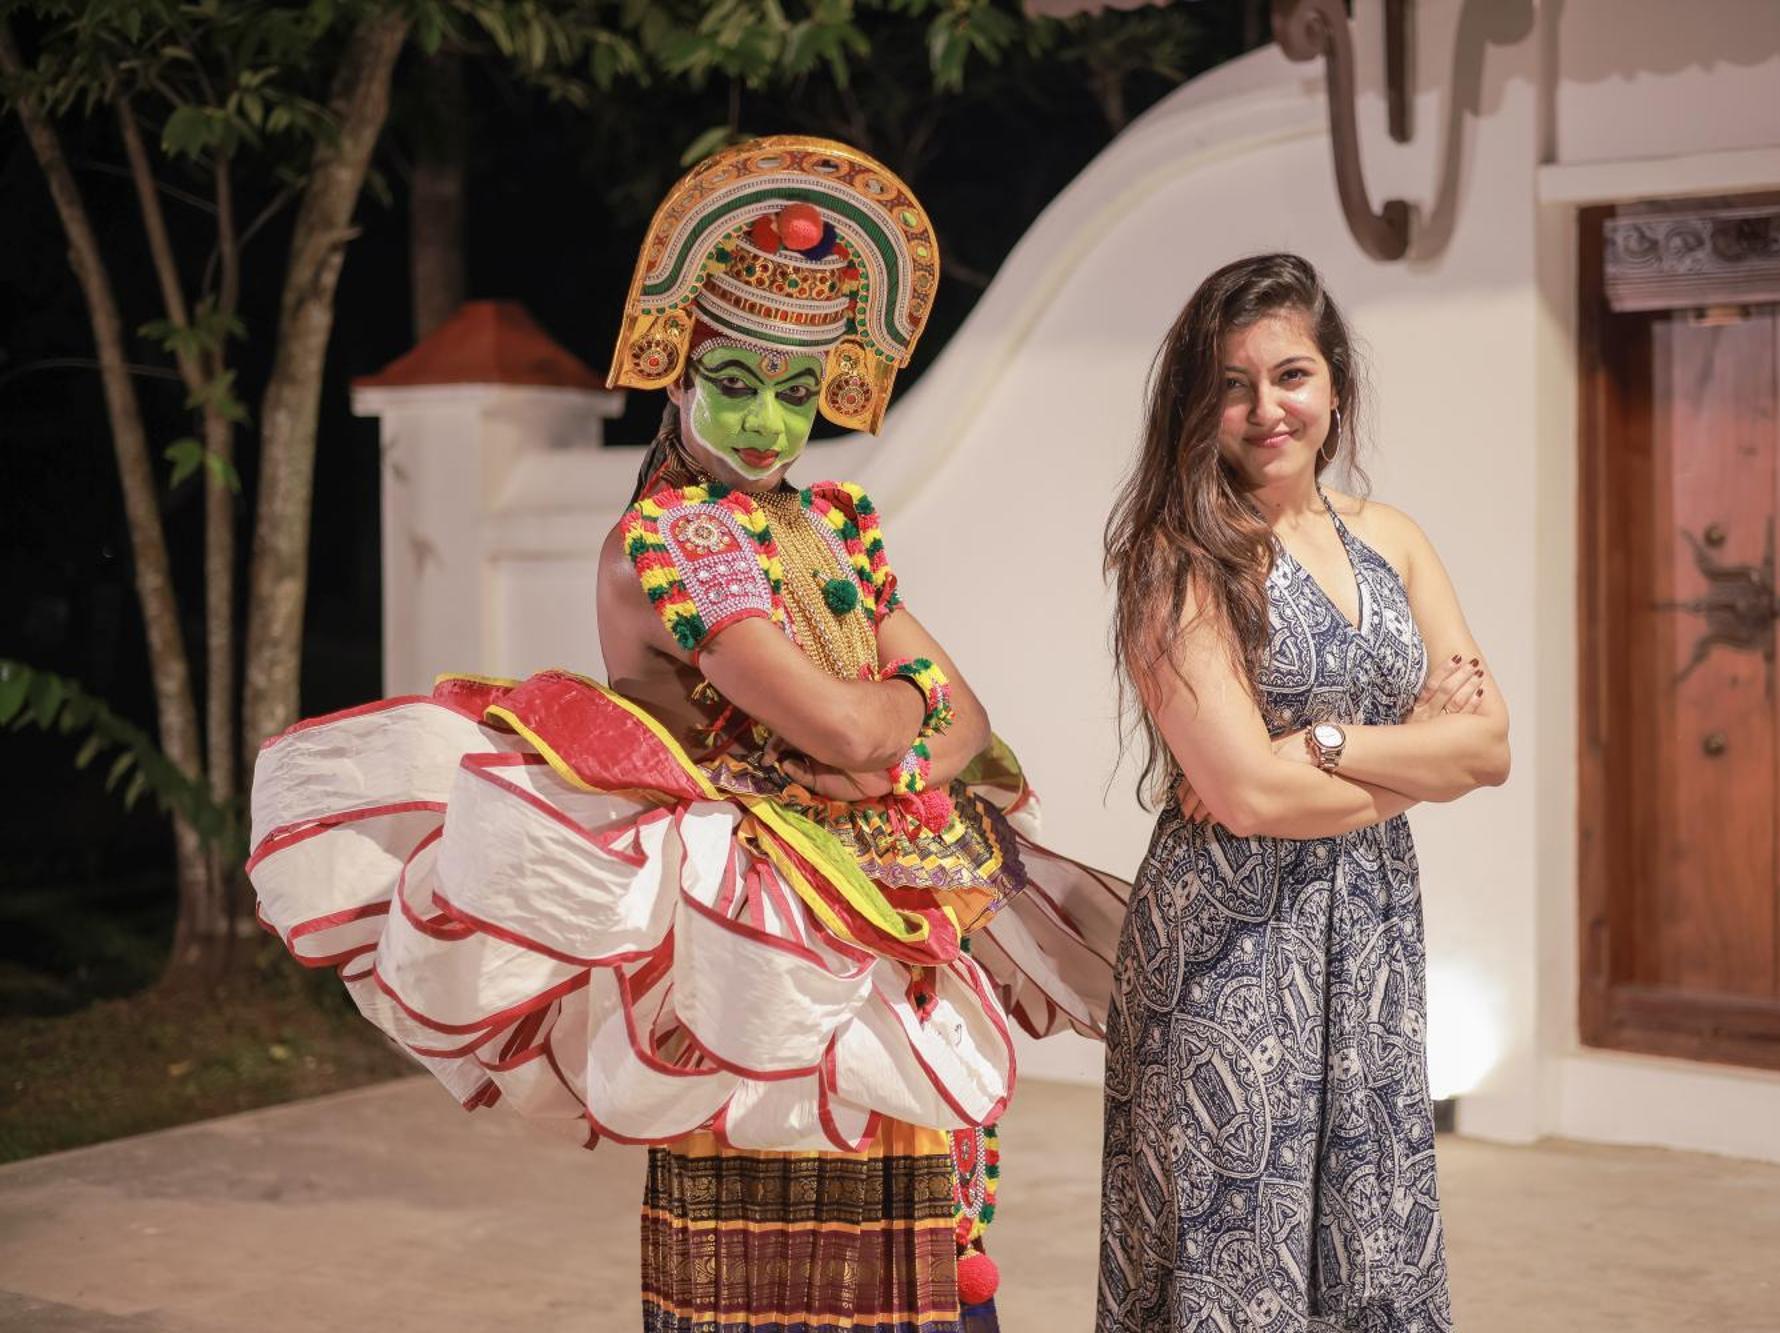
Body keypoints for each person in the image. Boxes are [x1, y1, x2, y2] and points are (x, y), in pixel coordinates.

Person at [247, 135, 1126, 1333]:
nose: (768, 421)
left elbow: (964, 721)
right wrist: (889, 713)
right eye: (736, 381)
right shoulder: (677, 540)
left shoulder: (829, 524)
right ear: (675, 374)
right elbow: (838, 713)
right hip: (753, 943)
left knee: (924, 1221)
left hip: (894, 925)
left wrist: (894, 729)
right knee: (773, 1248)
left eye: (795, 388)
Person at [1095, 253, 1509, 1333]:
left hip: (1367, 934)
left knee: (1369, 1235)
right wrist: (1410, 751)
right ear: (1198, 405)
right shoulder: (1174, 558)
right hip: (1229, 946)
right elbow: (1246, 800)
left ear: (1333, 387)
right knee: (1232, 1255)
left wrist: (1319, 742)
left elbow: (1489, 746)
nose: (1264, 408)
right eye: (1232, 385)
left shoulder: (1393, 539)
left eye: (1289, 375)